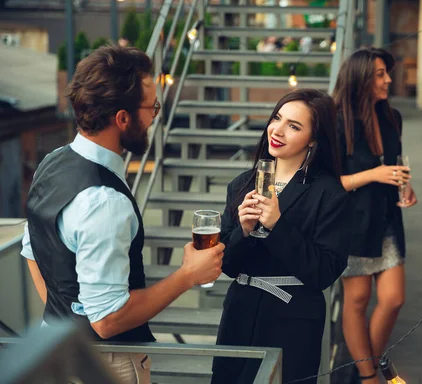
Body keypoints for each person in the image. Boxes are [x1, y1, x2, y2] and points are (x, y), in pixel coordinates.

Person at [21, 45, 224, 384]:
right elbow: (108, 319)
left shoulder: (53, 161)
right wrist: (188, 275)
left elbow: (32, 251)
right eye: (152, 108)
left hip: (55, 350)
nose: (155, 117)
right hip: (107, 365)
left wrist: (68, 317)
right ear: (123, 118)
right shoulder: (104, 200)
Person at [211, 89, 351, 384]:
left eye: (294, 126)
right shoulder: (242, 184)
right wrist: (244, 232)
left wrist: (277, 226)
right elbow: (227, 265)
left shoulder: (329, 193)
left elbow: (324, 272)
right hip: (239, 312)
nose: (278, 129)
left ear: (313, 139)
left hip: (293, 318)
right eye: (277, 118)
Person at [332, 47, 417, 383]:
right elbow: (326, 183)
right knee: (357, 300)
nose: (388, 80)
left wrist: (405, 187)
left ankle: (361, 370)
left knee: (394, 298)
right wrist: (373, 175)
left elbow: (396, 165)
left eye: (387, 72)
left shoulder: (391, 117)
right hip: (351, 223)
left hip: (386, 219)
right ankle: (368, 377)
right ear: (361, 79)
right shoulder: (336, 121)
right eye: (380, 74)